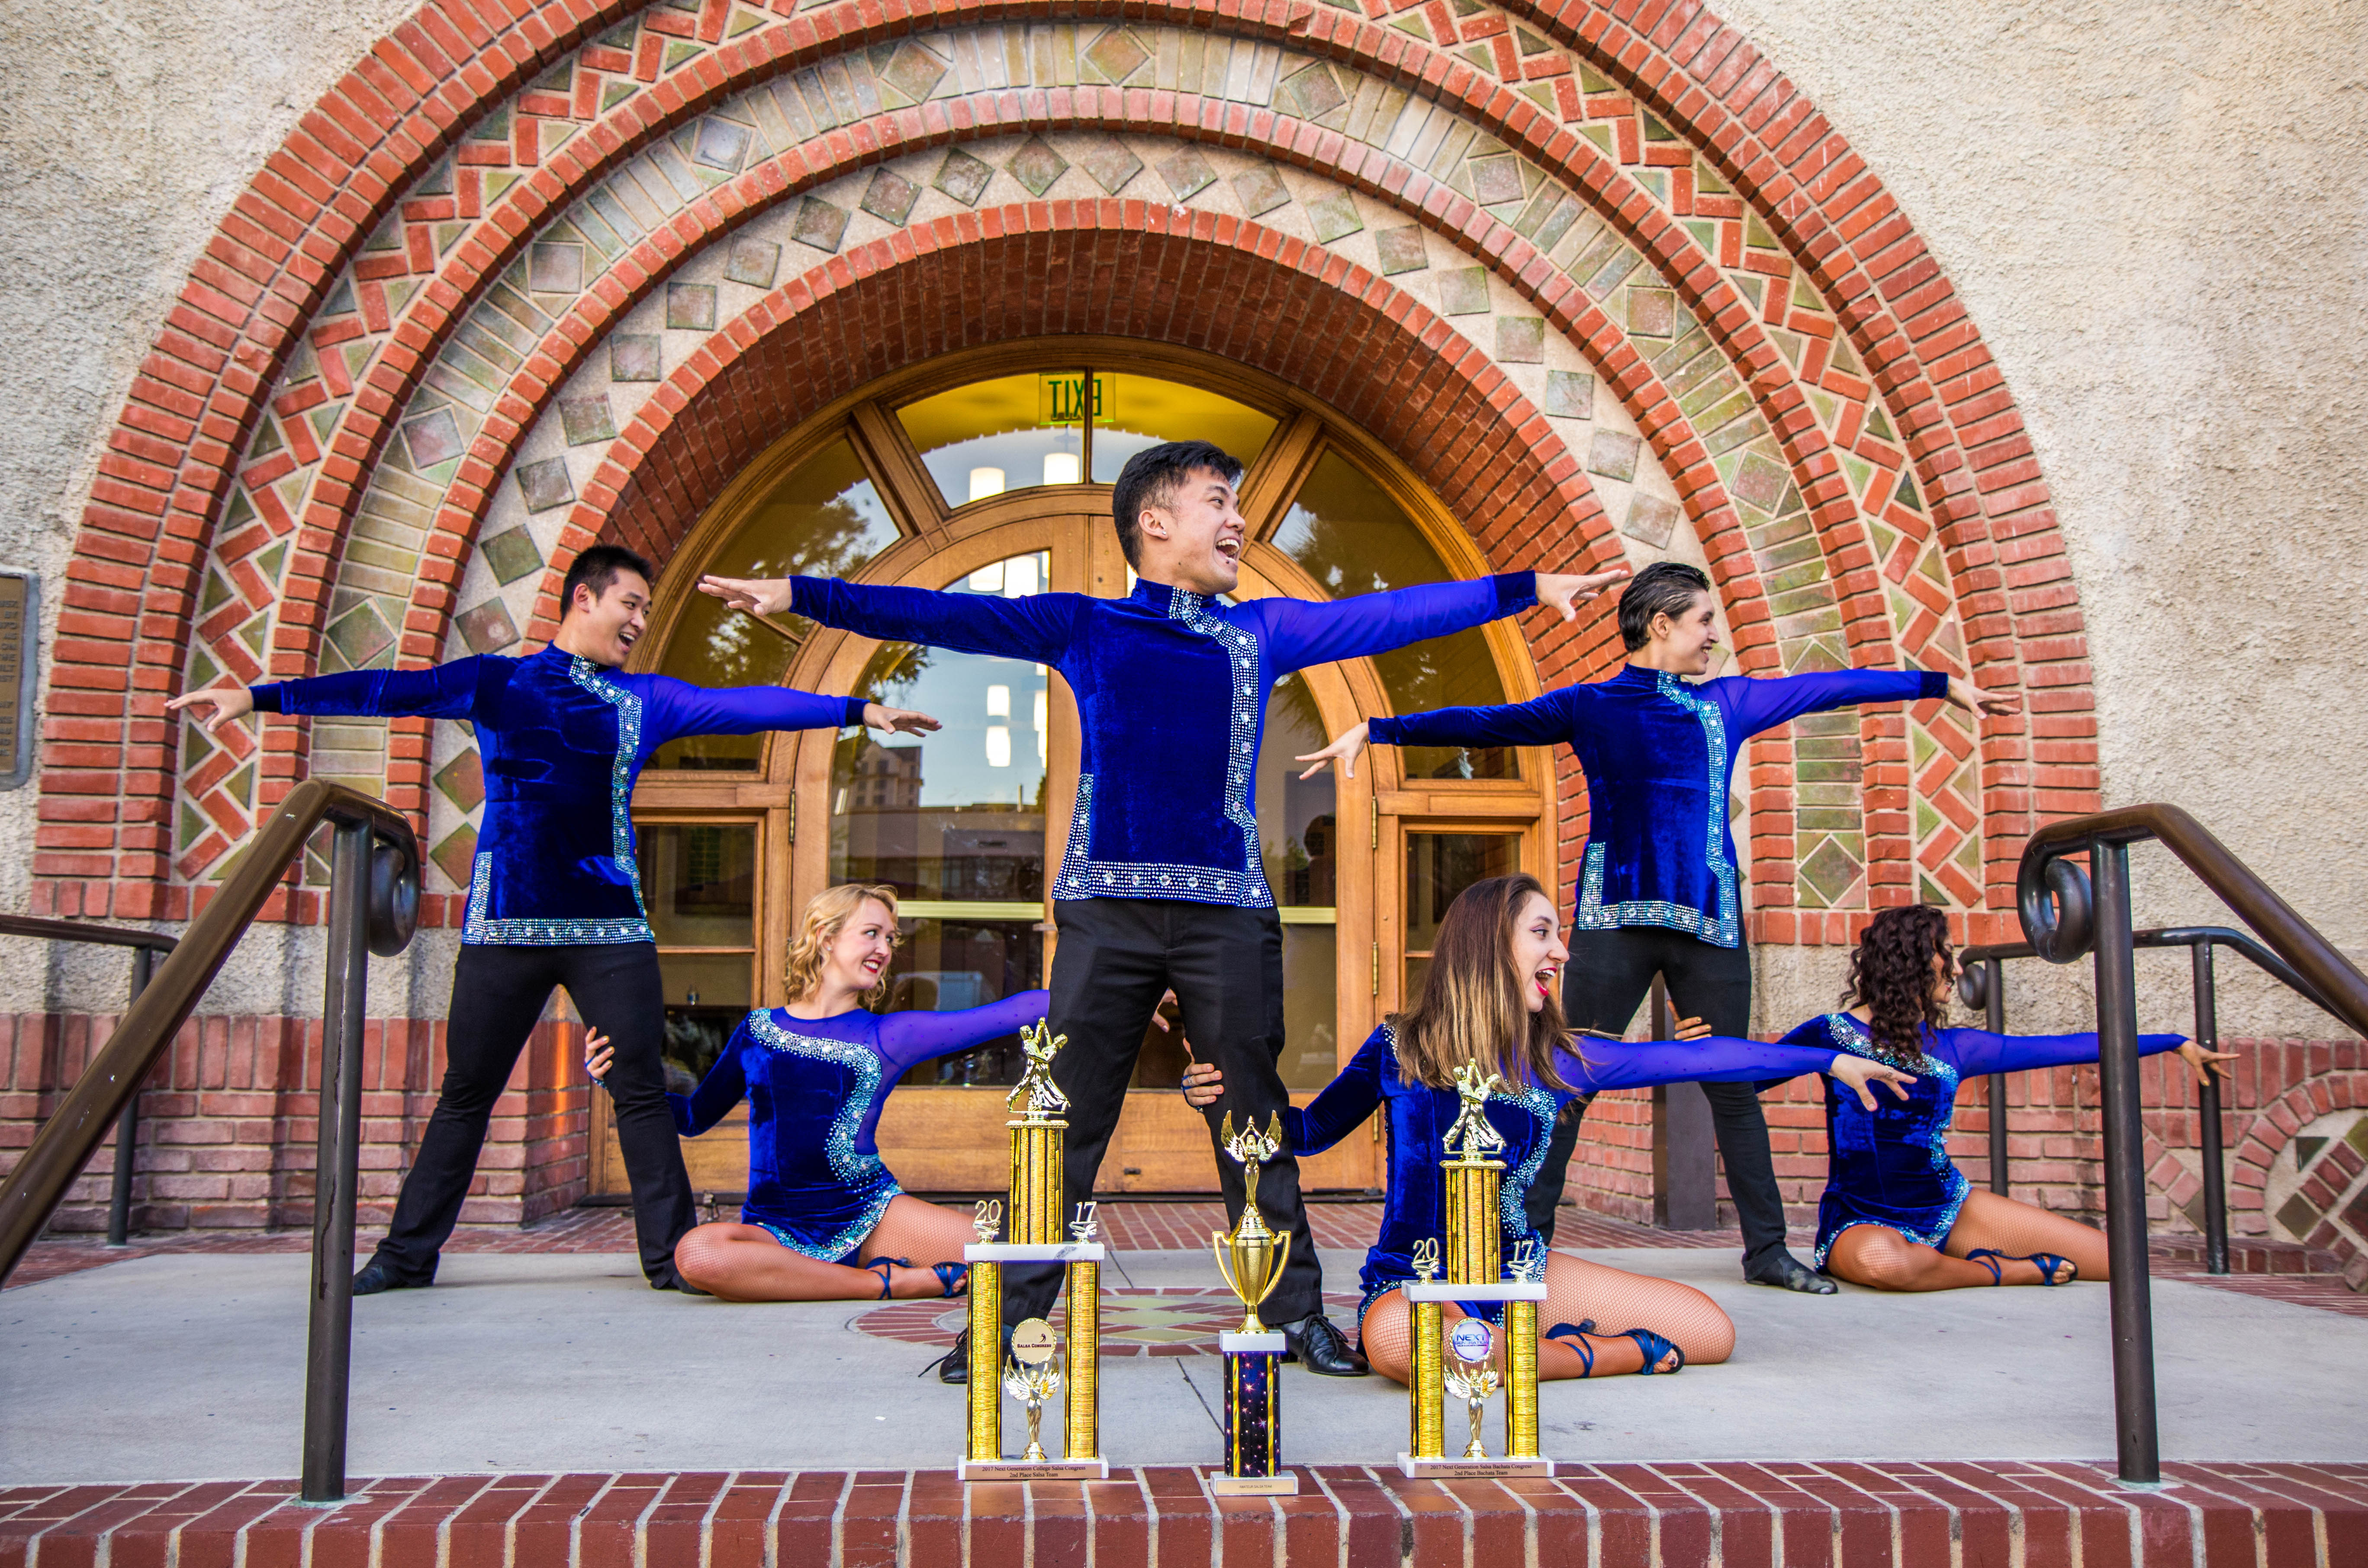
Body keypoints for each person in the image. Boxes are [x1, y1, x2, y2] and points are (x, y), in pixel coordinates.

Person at [698, 439, 1628, 1377]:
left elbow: (1384, 616)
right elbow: (944, 614)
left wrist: (1525, 586)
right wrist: (803, 593)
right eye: (1219, 502)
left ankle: (1296, 1314)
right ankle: (1011, 1322)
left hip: (1229, 914)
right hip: (1106, 913)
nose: (1239, 522)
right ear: (1155, 520)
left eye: (1240, 506)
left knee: (1251, 1117)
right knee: (1064, 1118)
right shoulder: (1086, 627)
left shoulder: (1258, 633)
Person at [167, 545, 939, 1294]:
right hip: (504, 929)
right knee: (466, 1091)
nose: (640, 618)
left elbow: (747, 706)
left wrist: (860, 710)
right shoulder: (495, 684)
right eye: (631, 603)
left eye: (644, 606)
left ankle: (670, 1259)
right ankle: (405, 1256)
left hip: (611, 931)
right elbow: (386, 691)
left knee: (637, 1090)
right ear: (585, 597)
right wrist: (260, 698)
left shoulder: (644, 700)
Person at [1297, 559, 2022, 1295]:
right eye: (1704, 620)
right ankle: (1527, 1245)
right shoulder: (1589, 704)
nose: (1714, 635)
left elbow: (1827, 688)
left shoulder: (1728, 704)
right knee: (1561, 1083)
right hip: (1612, 924)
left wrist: (1936, 685)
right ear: (1661, 624)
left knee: (1730, 1080)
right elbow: (1492, 719)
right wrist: (1377, 729)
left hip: (1707, 928)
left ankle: (1767, 1250)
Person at [1179, 874, 1915, 1382]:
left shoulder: (1565, 1058)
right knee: (1399, 1346)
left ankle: (1513, 1349)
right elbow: (1303, 1133)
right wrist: (1221, 1099)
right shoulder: (1398, 1045)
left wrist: (1826, 1056)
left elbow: (1706, 1055)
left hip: (1523, 1275)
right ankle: (1593, 1356)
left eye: (1558, 934)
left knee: (1710, 1331)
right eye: (1543, 932)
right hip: (1415, 1284)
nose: (1561, 951)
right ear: (1488, 943)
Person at [587, 883, 1045, 1300]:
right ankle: (885, 1281)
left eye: (890, 939)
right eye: (872, 933)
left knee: (1019, 1260)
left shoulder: (890, 1035)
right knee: (698, 1255)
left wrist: (1100, 982)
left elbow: (1020, 1009)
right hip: (775, 1228)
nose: (884, 949)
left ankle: (871, 1264)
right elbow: (691, 1119)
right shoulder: (757, 1031)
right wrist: (619, 1079)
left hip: (871, 1216)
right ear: (827, 938)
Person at [1785, 905, 2229, 1289]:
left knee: (2123, 1264)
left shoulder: (1956, 1046)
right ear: (1912, 961)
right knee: (1887, 1264)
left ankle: (1943, 1264)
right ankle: (2001, 1271)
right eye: (1948, 955)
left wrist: (2172, 1041)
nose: (1958, 970)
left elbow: (2066, 1047)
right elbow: (1749, 1070)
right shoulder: (1829, 1034)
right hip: (1862, 1220)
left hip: (1949, 1208)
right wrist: (1712, 1044)